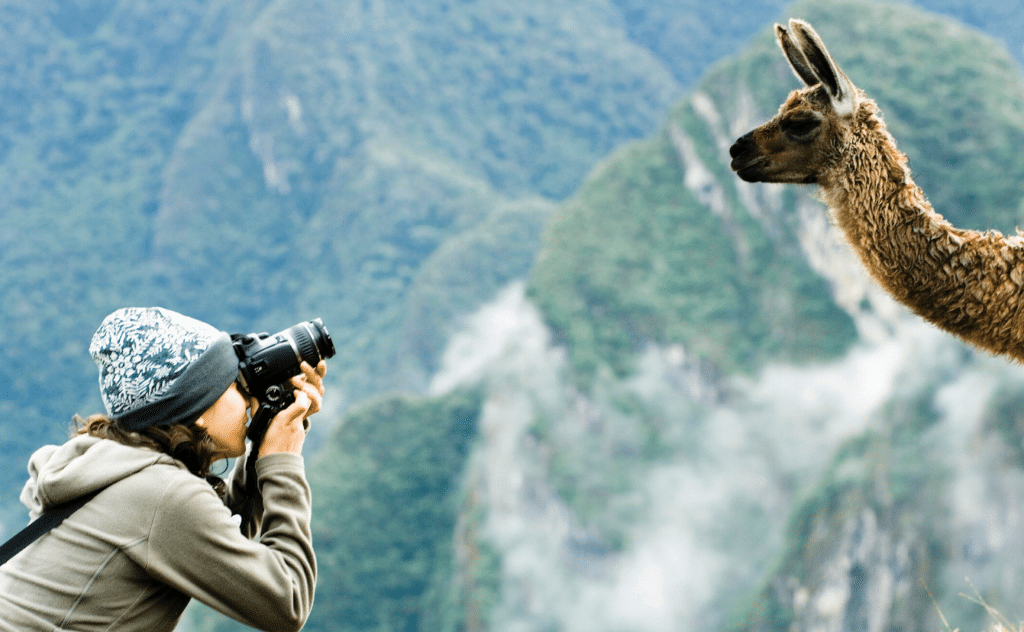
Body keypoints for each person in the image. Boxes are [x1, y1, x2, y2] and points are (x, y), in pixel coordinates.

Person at [0, 307, 326, 632]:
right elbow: (287, 602)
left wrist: (269, 431)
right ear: (197, 404)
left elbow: (219, 540)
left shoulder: (117, 467)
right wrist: (282, 462)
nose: (248, 400)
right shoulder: (163, 495)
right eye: (238, 387)